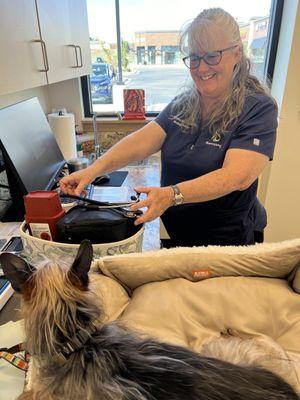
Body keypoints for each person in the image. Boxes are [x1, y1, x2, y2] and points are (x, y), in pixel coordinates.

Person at [60, 8, 278, 247]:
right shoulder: (186, 104)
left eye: (212, 56)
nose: (202, 68)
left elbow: (237, 177)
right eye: (194, 58)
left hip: (226, 243)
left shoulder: (258, 108)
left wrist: (172, 195)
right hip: (181, 236)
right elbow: (141, 141)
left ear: (237, 53)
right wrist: (92, 170)